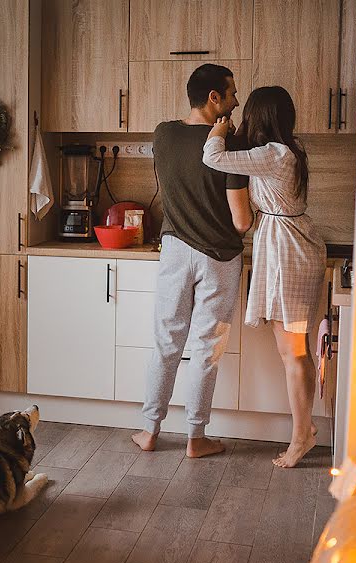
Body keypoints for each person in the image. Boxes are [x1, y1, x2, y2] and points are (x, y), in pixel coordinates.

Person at [132, 64, 253, 458]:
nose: (236, 101)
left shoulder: (163, 134)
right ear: (214, 98)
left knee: (165, 342)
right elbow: (241, 221)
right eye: (232, 93)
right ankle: (195, 438)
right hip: (218, 258)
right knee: (206, 348)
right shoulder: (230, 145)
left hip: (174, 253)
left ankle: (149, 431)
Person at [202, 85, 326, 468]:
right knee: (296, 350)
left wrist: (221, 127)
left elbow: (212, 157)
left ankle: (301, 437)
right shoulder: (286, 152)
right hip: (290, 247)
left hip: (287, 252)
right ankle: (304, 431)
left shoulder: (273, 155)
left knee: (293, 353)